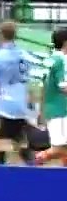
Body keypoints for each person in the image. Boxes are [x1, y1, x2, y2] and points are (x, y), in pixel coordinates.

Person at [0, 22, 35, 165]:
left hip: (3, 103)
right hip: (20, 102)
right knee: (21, 140)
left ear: (0, 35)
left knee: (0, 139)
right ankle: (33, 166)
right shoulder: (24, 55)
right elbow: (27, 82)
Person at [34, 29, 67, 166]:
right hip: (61, 110)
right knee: (59, 148)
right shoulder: (62, 60)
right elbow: (64, 87)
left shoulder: (49, 59)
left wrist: (42, 110)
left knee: (63, 147)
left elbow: (43, 86)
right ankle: (35, 159)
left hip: (52, 109)